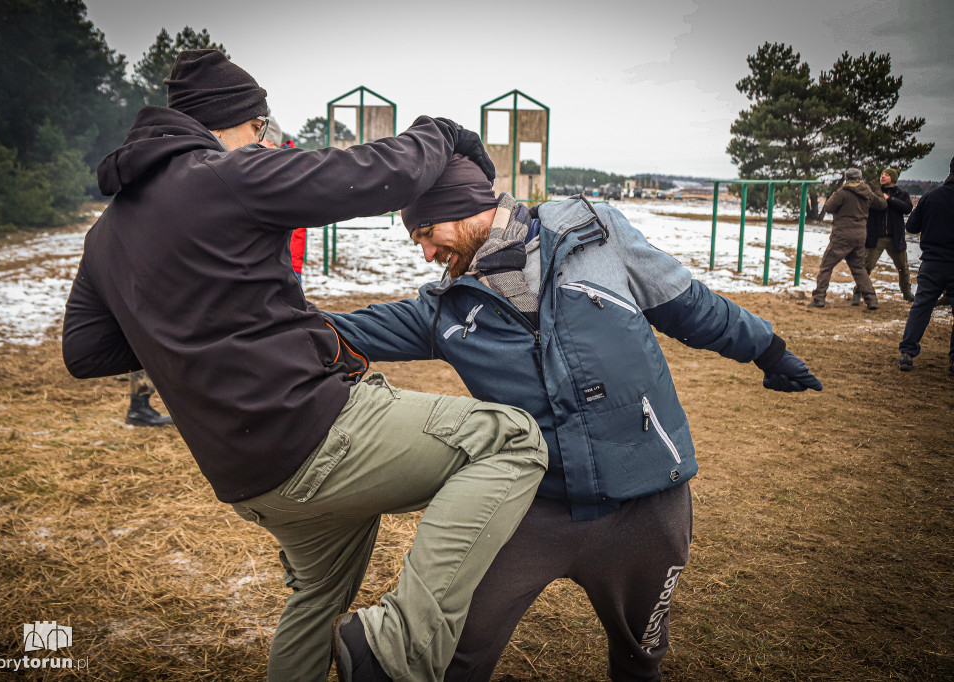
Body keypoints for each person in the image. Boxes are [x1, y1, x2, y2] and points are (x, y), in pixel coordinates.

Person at [61, 49, 548, 682]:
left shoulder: (107, 233)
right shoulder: (224, 175)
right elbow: (370, 174)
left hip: (247, 480)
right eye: (259, 128)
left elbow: (85, 351)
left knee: (317, 599)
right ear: (233, 122)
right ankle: (398, 651)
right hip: (315, 435)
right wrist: (440, 131)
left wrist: (192, 327)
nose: (262, 140)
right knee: (510, 440)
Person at [324, 155, 823, 682]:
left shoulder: (596, 237)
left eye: (427, 232)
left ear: (468, 207)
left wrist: (768, 349)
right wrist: (250, 319)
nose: (425, 253)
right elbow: (336, 331)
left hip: (647, 502)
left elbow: (692, 306)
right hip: (527, 508)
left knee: (641, 659)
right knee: (458, 653)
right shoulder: (443, 312)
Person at [898, 155, 954, 375]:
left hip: (932, 262)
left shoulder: (931, 197)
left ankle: (907, 353)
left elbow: (911, 226)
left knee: (921, 307)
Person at [811, 167, 888, 309]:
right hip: (859, 236)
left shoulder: (843, 193)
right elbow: (882, 204)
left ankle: (819, 298)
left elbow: (828, 207)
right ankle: (871, 300)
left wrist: (835, 193)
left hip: (842, 236)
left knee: (826, 266)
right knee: (859, 269)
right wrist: (878, 190)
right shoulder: (867, 193)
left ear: (847, 178)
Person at [852, 167, 914, 304]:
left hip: (895, 237)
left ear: (893, 178)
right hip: (876, 236)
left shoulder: (901, 194)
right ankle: (857, 292)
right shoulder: (874, 192)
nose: (883, 176)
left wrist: (890, 199)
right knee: (866, 266)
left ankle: (907, 293)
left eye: (886, 174)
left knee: (903, 267)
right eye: (882, 174)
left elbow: (907, 208)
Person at [257, 116, 306, 286]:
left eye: (258, 135)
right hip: (281, 261)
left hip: (284, 262)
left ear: (269, 142)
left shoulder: (283, 170)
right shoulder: (286, 166)